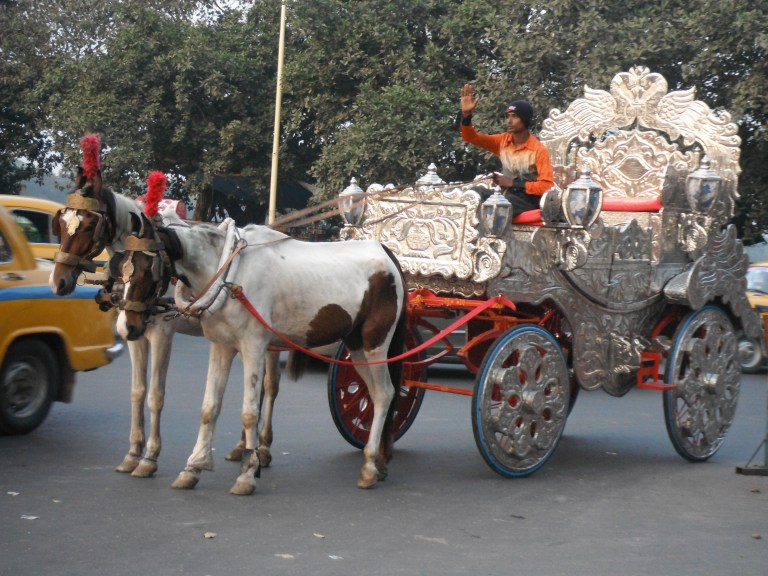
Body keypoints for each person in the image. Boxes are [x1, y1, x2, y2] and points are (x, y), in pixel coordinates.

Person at [459, 83, 554, 214]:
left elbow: (546, 186)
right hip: (505, 194)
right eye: (507, 116)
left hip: (527, 200)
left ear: (525, 119)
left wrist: (513, 183)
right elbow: (470, 137)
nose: (509, 121)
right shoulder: (502, 141)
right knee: (475, 193)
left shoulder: (539, 150)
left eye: (514, 116)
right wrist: (466, 114)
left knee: (500, 204)